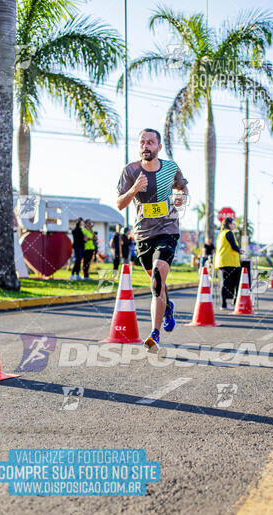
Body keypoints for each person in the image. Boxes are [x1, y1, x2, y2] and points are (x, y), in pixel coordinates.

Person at [117, 128, 188, 353]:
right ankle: (168, 307)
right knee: (157, 283)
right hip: (142, 235)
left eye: (150, 142)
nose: (146, 146)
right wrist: (134, 190)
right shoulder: (130, 171)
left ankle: (154, 334)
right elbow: (119, 203)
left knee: (157, 278)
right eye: (142, 142)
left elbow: (182, 187)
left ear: (158, 147)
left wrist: (180, 199)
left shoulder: (171, 167)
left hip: (167, 230)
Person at [214, 217, 242, 310]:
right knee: (232, 283)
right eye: (233, 224)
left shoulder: (220, 234)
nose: (233, 225)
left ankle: (224, 304)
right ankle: (228, 303)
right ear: (229, 224)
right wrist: (240, 251)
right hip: (230, 262)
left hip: (222, 262)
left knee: (225, 283)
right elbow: (233, 246)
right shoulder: (229, 233)